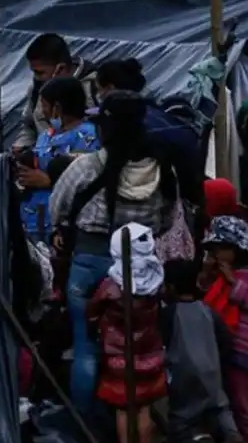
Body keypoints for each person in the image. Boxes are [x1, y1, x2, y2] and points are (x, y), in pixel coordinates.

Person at [48, 91, 179, 415]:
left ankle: (87, 426)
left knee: (86, 347)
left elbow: (57, 208)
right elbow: (167, 219)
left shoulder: (87, 167)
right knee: (132, 348)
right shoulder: (162, 170)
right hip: (138, 274)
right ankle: (131, 418)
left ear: (106, 128)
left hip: (88, 265)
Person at [92, 58, 204, 262]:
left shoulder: (129, 129)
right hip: (183, 210)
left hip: (139, 228)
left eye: (99, 90)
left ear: (109, 89)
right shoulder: (166, 119)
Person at [88, 223, 165, 443]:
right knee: (143, 409)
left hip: (118, 357)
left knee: (123, 409)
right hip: (149, 354)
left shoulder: (111, 286)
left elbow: (92, 312)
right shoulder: (155, 280)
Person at [161, 259, 244, 443]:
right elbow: (226, 340)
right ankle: (231, 435)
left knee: (181, 417)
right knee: (219, 407)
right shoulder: (207, 310)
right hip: (211, 369)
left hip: (184, 372)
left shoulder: (169, 314)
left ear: (171, 288)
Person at [200, 216, 248, 443]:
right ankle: (225, 438)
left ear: (237, 249)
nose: (218, 254)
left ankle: (246, 438)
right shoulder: (213, 271)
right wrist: (207, 274)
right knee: (218, 394)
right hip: (213, 345)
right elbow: (202, 296)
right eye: (214, 249)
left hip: (238, 344)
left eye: (222, 248)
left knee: (239, 397)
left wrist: (232, 282)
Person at [18, 77, 100, 243]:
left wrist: (49, 181)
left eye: (45, 105)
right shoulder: (45, 136)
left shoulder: (88, 137)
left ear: (57, 108)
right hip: (33, 219)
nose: (42, 111)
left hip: (63, 228)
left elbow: (89, 181)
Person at [13, 33, 79, 151]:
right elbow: (29, 126)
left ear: (61, 68)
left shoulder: (94, 90)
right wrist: (23, 144)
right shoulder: (36, 91)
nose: (36, 78)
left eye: (40, 73)